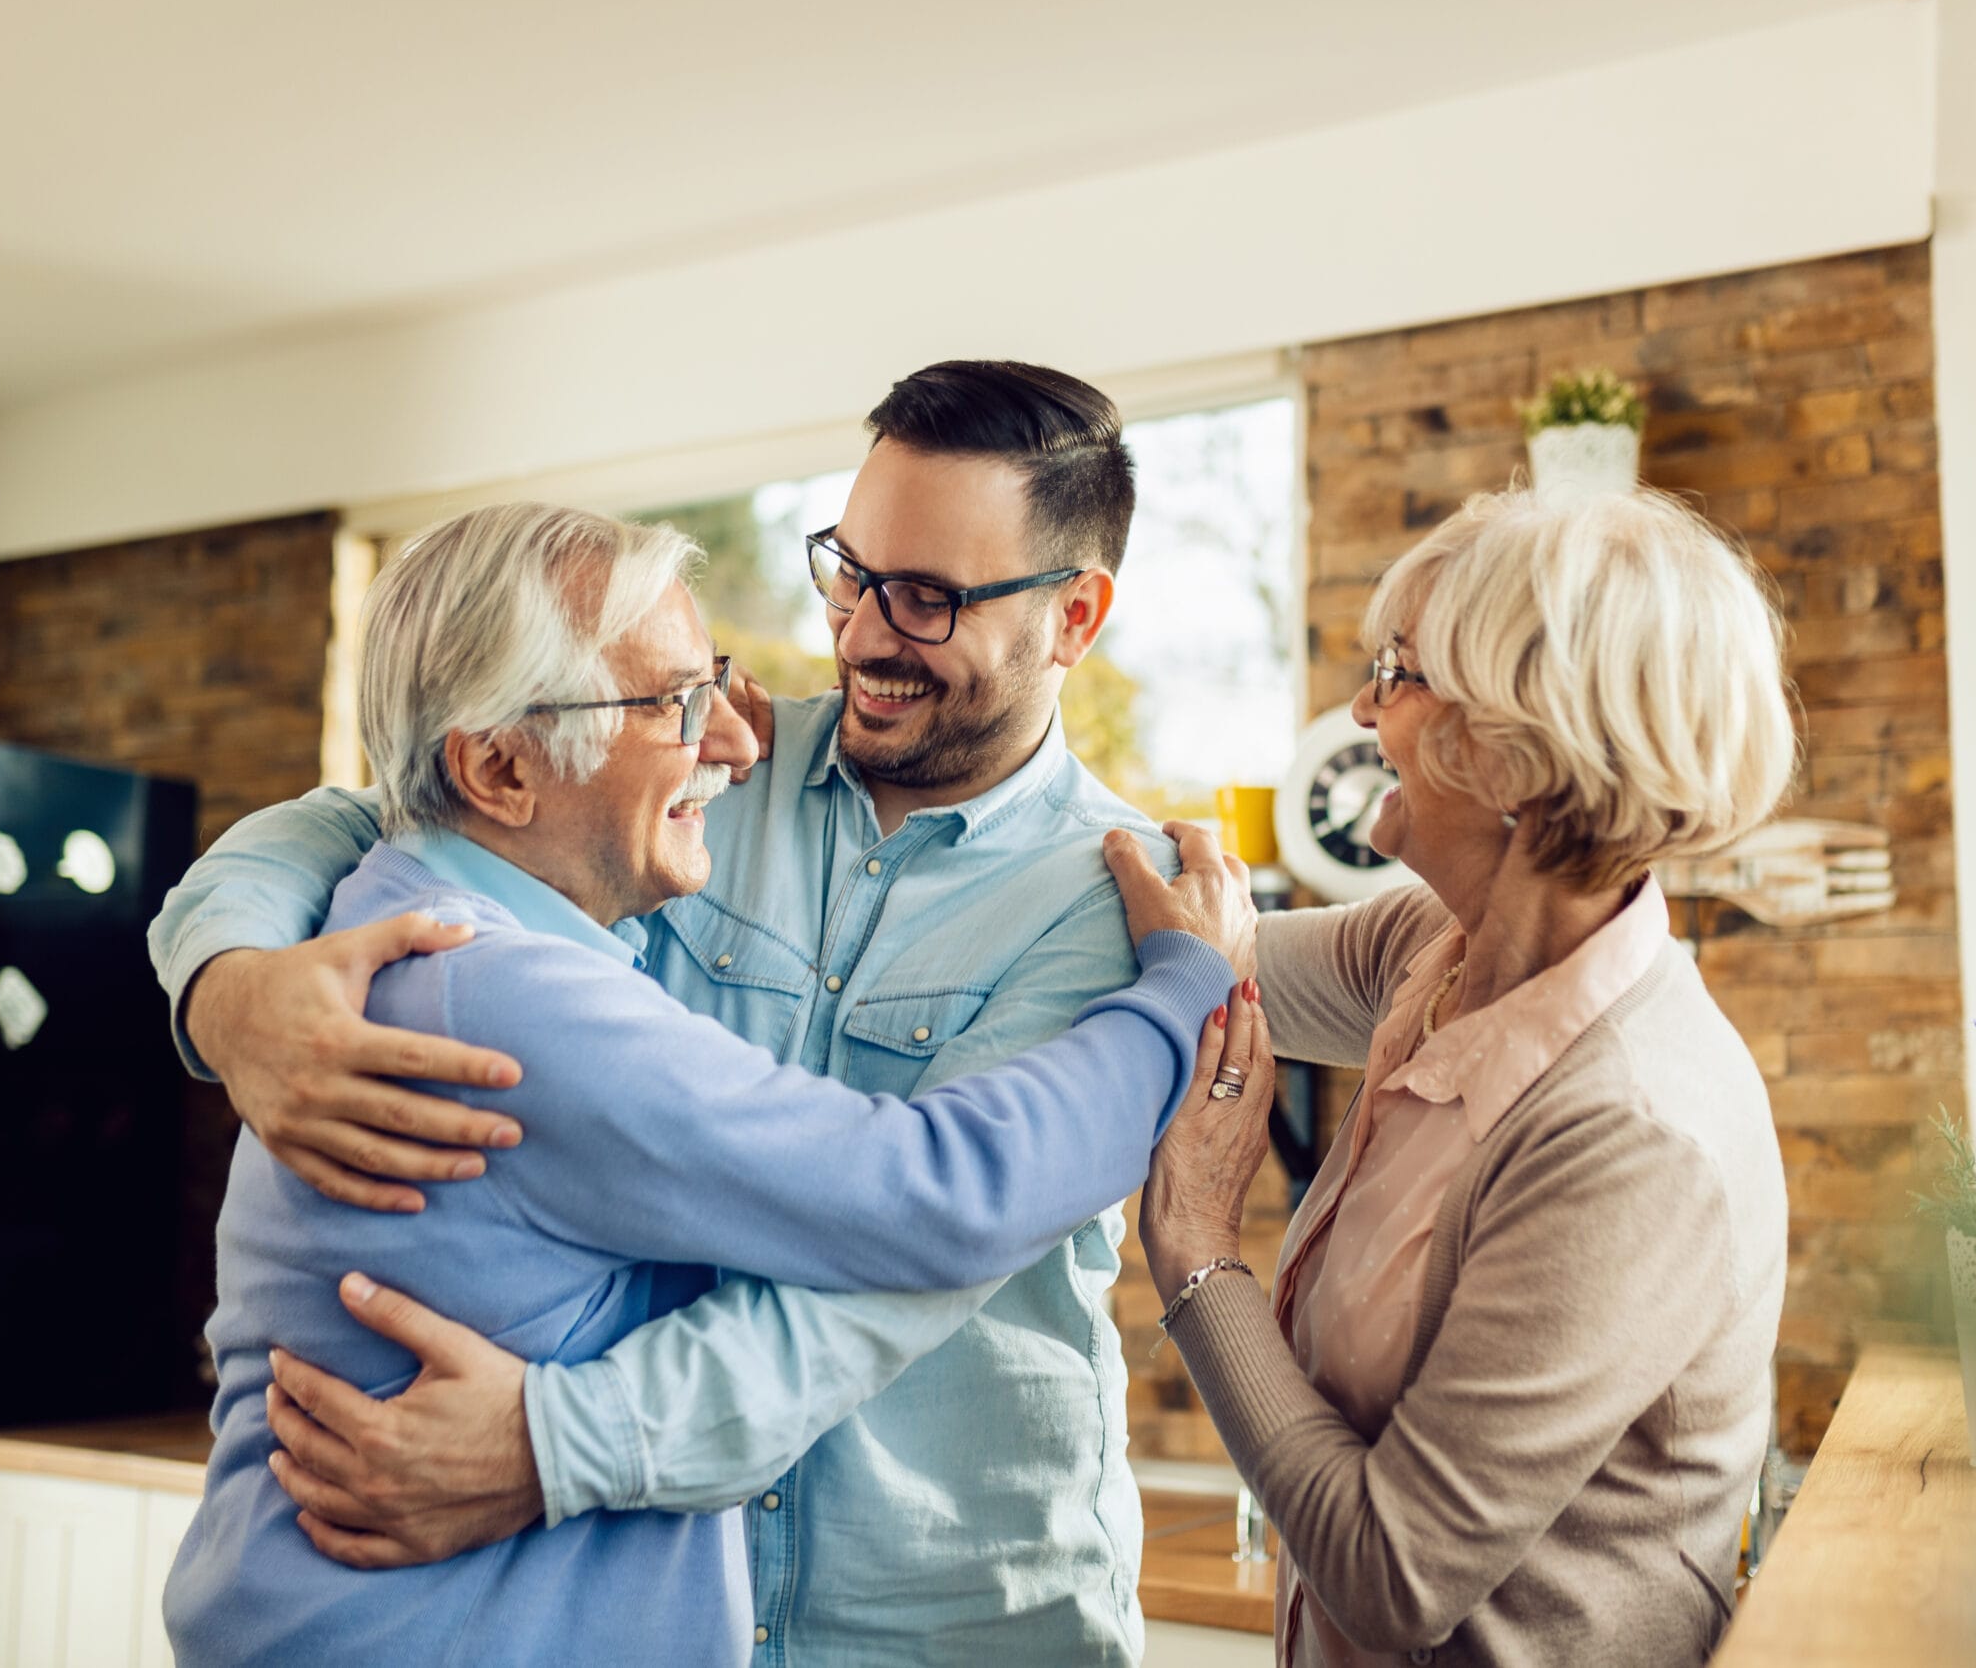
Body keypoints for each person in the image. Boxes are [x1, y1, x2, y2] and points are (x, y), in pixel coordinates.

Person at [148, 362, 1208, 1664]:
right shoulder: (700, 788)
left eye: (927, 597)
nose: (865, 633)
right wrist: (229, 977)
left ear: (1074, 617)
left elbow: (907, 1237)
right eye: (850, 570)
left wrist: (556, 1440)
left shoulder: (1128, 902)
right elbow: (395, 791)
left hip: (938, 1621)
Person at [1119, 485, 1797, 1667]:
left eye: (1398, 672)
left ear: (1513, 754)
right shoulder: (1427, 953)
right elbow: (1176, 953)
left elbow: (1392, 1574)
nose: (1360, 706)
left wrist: (1196, 1247)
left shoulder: (1631, 1137)